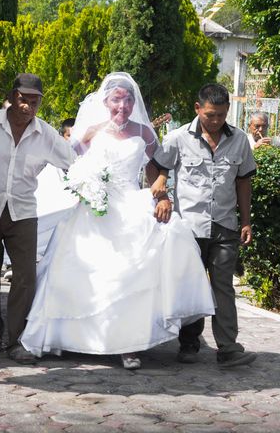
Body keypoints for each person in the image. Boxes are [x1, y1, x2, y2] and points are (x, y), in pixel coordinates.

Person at [20, 72, 215, 370]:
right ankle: (68, 338)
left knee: (130, 273)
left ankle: (127, 343)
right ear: (105, 102)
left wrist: (161, 195)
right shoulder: (91, 132)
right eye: (116, 100)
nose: (121, 106)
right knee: (82, 271)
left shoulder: (145, 133)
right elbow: (73, 166)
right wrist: (85, 186)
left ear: (134, 103)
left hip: (130, 202)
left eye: (127, 101)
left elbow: (155, 168)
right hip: (93, 209)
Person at [0, 73, 76, 364]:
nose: (28, 108)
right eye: (24, 100)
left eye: (34, 102)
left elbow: (73, 162)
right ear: (13, 96)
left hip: (23, 212)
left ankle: (19, 338)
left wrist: (94, 186)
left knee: (25, 276)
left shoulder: (45, 133)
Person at [149, 83, 258, 368]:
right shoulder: (177, 138)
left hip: (224, 225)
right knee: (191, 285)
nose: (216, 121)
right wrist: (162, 191)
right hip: (189, 228)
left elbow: (243, 181)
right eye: (211, 115)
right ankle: (189, 342)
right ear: (198, 109)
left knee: (223, 287)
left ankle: (228, 348)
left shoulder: (240, 140)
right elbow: (158, 166)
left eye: (222, 115)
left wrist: (245, 221)